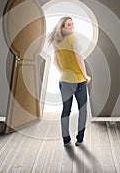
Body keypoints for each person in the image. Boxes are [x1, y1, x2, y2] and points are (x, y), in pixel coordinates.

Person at [48, 17, 91, 147]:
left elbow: (55, 62)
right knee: (82, 110)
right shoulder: (73, 39)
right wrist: (85, 75)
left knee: (66, 110)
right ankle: (80, 139)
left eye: (72, 24)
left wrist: (64, 72)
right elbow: (79, 59)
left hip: (64, 80)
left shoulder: (57, 42)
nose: (72, 26)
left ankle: (66, 140)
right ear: (62, 27)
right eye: (68, 25)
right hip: (78, 80)